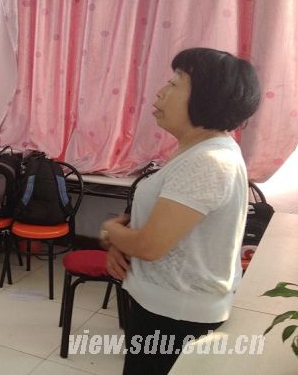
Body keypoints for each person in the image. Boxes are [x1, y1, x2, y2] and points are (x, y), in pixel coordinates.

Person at [101, 48, 261, 374]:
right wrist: (124, 242)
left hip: (177, 318)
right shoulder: (195, 152)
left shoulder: (209, 161)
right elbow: (166, 229)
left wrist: (109, 231)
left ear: (207, 98)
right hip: (164, 306)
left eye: (175, 83)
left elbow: (150, 245)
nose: (160, 92)